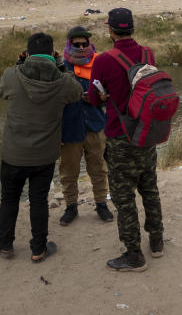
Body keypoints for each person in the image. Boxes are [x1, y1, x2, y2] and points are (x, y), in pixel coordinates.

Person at [0, 32, 82, 262]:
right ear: (53, 53)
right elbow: (77, 92)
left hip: (13, 153)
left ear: (27, 53)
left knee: (9, 198)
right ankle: (38, 249)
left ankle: (5, 245)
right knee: (39, 200)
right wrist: (61, 66)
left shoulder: (13, 75)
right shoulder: (62, 81)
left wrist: (19, 64)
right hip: (44, 155)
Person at [88, 8, 164, 272]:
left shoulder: (103, 60)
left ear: (110, 30)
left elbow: (93, 98)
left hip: (120, 137)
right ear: (132, 28)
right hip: (146, 133)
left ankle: (134, 256)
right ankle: (157, 242)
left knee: (124, 199)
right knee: (149, 188)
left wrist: (106, 96)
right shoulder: (148, 54)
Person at [58, 26, 114, 226]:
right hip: (70, 128)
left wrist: (100, 99)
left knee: (98, 169)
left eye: (84, 43)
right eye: (77, 44)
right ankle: (70, 207)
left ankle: (101, 204)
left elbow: (109, 95)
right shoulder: (61, 67)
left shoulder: (99, 64)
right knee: (68, 171)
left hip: (95, 125)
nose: (81, 47)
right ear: (69, 44)